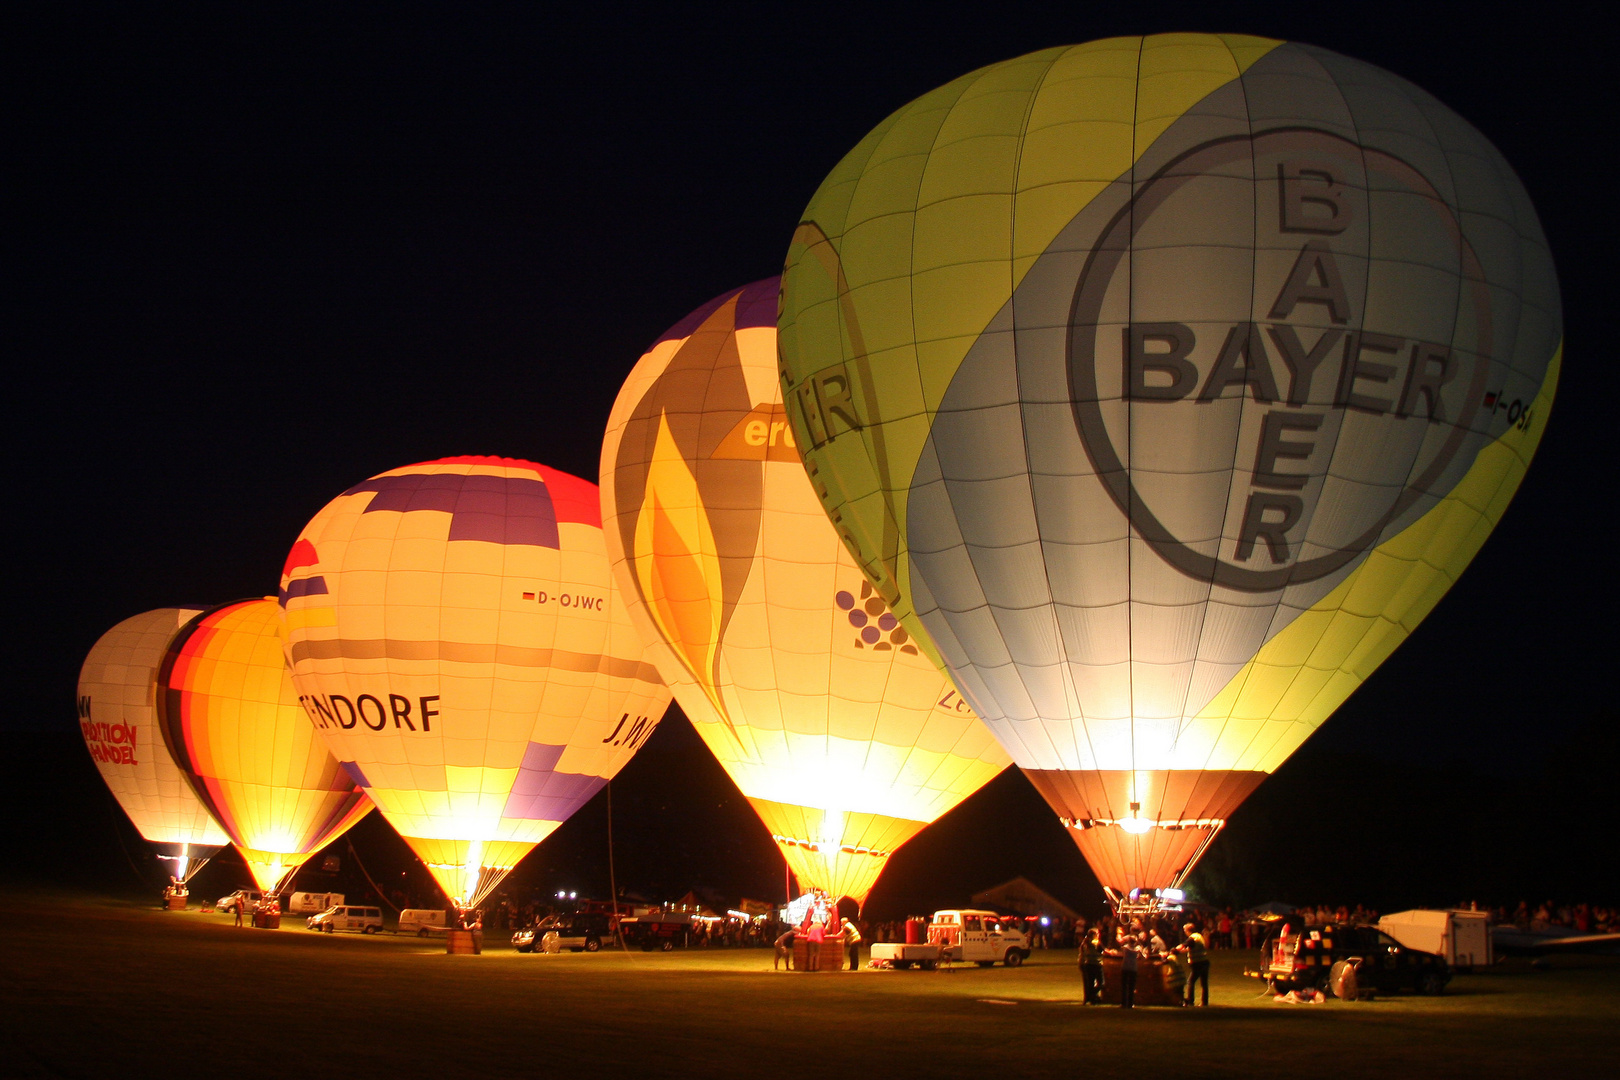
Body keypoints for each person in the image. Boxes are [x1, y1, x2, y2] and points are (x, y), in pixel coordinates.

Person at [1181, 922, 1210, 1007]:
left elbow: (1184, 945)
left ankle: (1190, 1000)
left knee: (1190, 981)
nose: (1184, 932)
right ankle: (1204, 1002)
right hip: (1204, 961)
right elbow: (1190, 948)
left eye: (1184, 930)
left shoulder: (1192, 938)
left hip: (1198, 963)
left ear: (1188, 930)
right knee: (1204, 983)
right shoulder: (1198, 936)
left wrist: (1175, 950)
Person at [1079, 928, 1105, 1005]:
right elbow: (1103, 951)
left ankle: (1090, 998)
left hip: (1087, 964)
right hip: (1096, 964)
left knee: (1089, 983)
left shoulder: (1085, 942)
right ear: (1094, 935)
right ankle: (1092, 995)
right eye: (1097, 934)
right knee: (1101, 983)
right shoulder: (1095, 942)